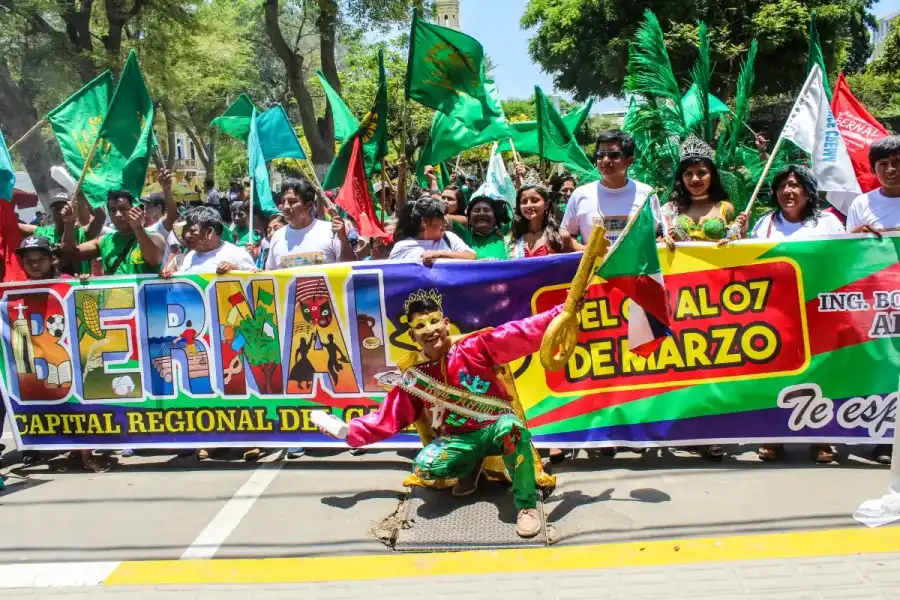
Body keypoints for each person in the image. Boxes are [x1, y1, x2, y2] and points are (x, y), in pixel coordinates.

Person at [322, 291, 560, 538]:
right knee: (425, 468)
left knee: (513, 430)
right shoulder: (415, 378)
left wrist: (561, 313)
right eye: (420, 326)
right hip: (459, 439)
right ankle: (470, 466)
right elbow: (388, 416)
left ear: (446, 324)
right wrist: (348, 431)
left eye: (434, 321)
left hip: (495, 427)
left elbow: (520, 332)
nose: (430, 330)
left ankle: (526, 506)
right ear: (413, 335)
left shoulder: (475, 347)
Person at [748, 165, 844, 464]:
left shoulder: (827, 223)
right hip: (776, 313)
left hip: (818, 312)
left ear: (808, 190)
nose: (788, 191)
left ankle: (821, 439)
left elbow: (844, 261)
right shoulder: (764, 224)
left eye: (795, 185)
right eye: (782, 186)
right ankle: (773, 436)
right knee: (776, 371)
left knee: (821, 374)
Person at [16, 236, 109, 472]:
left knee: (77, 403)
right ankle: (72, 452)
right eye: (29, 260)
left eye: (41, 259)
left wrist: (86, 283)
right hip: (38, 356)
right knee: (54, 405)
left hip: (70, 353)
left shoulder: (68, 282)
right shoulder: (13, 289)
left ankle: (87, 454)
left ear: (52, 260)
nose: (35, 265)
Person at [845, 135, 900, 465]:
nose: (891, 170)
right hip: (881, 303)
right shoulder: (861, 205)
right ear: (873, 170)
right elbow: (847, 254)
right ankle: (886, 439)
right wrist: (855, 236)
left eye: (897, 163)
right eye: (884, 165)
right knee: (887, 366)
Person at [562, 130, 660, 245]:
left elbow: (659, 235)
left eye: (613, 155)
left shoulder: (646, 195)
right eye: (600, 155)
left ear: (629, 161)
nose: (605, 160)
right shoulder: (580, 195)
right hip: (595, 263)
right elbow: (567, 235)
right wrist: (588, 252)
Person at [660, 135, 746, 248]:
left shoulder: (726, 208)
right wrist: (662, 240)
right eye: (688, 173)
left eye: (701, 173)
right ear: (681, 178)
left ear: (712, 176)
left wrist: (739, 236)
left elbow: (742, 247)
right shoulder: (670, 209)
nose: (695, 179)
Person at [60, 190, 166, 276]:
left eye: (123, 209)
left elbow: (153, 259)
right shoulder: (104, 241)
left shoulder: (155, 237)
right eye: (113, 210)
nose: (118, 214)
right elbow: (69, 253)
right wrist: (68, 224)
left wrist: (138, 228)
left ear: (138, 210)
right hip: (113, 302)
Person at [266, 178, 355, 269]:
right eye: (283, 201)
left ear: (309, 206)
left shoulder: (331, 231)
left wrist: (343, 239)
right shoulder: (277, 237)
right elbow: (269, 274)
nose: (286, 207)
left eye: (292, 202)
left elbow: (350, 268)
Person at [25, 191, 104, 275]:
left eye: (65, 206)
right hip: (49, 285)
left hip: (78, 284)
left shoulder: (83, 233)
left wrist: (86, 198)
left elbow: (101, 217)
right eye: (56, 207)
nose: (61, 210)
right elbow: (13, 225)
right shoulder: (41, 232)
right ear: (51, 213)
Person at [166, 206, 258, 276]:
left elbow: (256, 284)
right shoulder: (188, 257)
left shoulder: (238, 255)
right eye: (186, 231)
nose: (187, 235)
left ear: (209, 232)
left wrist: (235, 271)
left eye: (193, 231)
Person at [390, 197, 475, 265]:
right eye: (441, 217)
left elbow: (472, 256)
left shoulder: (448, 237)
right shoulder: (401, 248)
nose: (446, 221)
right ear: (425, 221)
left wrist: (439, 254)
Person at [508, 184, 579, 258]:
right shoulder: (515, 237)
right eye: (524, 202)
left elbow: (571, 264)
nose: (528, 205)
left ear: (546, 204)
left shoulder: (560, 236)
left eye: (534, 200)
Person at [451, 195, 510, 260]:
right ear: (469, 219)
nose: (481, 213)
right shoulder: (463, 235)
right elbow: (443, 219)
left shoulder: (506, 234)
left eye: (486, 210)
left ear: (495, 218)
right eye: (476, 210)